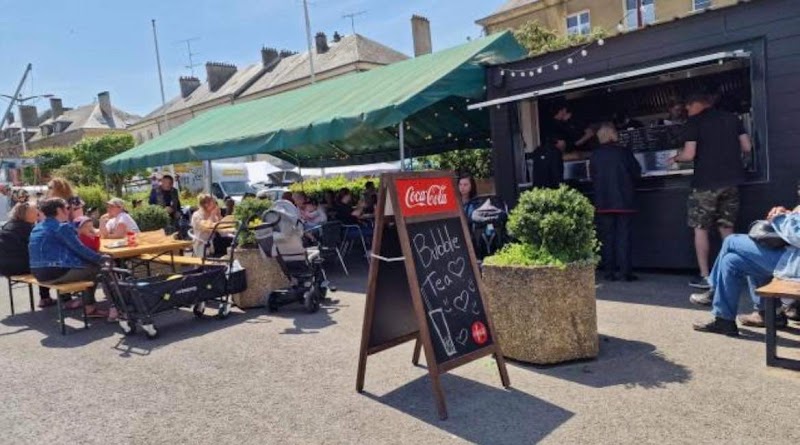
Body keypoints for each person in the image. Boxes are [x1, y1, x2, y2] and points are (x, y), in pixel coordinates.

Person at [670, 92, 752, 293]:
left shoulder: (694, 123)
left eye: (688, 107)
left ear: (697, 104)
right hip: (732, 182)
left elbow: (689, 154)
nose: (687, 111)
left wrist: (676, 158)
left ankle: (706, 277)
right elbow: (747, 147)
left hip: (705, 183)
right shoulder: (732, 119)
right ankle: (734, 273)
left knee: (701, 228)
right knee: (727, 228)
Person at [692, 206, 800, 336]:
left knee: (731, 241)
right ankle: (724, 320)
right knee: (732, 261)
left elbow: (797, 235)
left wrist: (780, 219)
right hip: (791, 257)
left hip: (794, 264)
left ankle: (714, 290)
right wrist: (788, 213)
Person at [29, 198, 108, 317]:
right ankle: (92, 308)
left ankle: (80, 303)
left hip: (38, 273)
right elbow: (80, 249)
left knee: (88, 268)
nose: (69, 210)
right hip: (55, 272)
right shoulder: (61, 227)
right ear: (58, 210)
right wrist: (102, 259)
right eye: (66, 208)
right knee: (99, 269)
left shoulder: (37, 227)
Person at [590, 122, 642, 282]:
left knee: (607, 237)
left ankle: (609, 272)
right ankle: (625, 272)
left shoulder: (595, 154)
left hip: (603, 202)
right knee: (624, 237)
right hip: (624, 201)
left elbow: (592, 175)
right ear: (614, 134)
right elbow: (636, 172)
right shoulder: (624, 153)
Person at [0, 202, 54, 307]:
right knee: (45, 263)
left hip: (4, 268)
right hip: (19, 266)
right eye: (35, 212)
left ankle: (45, 298)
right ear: (26, 214)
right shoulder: (28, 229)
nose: (37, 214)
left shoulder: (8, 225)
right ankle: (51, 298)